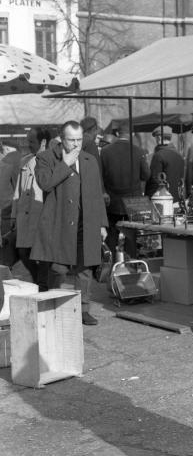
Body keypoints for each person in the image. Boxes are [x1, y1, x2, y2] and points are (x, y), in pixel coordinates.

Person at [31, 121, 108, 325]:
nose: (76, 144)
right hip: (59, 223)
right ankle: (55, 305)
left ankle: (84, 309)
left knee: (85, 268)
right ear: (61, 138)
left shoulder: (89, 159)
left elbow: (96, 194)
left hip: (86, 221)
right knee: (58, 268)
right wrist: (65, 164)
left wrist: (101, 224)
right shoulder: (46, 157)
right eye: (71, 140)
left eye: (79, 139)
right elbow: (45, 183)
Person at [10, 127, 53, 289]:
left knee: (42, 256)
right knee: (23, 253)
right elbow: (17, 192)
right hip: (24, 217)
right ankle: (38, 281)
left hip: (41, 215)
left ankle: (42, 286)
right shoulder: (25, 161)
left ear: (43, 142)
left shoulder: (53, 160)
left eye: (31, 141)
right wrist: (14, 215)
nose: (28, 145)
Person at [101, 122, 151, 252]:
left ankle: (111, 267)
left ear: (117, 134)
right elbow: (146, 175)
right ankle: (132, 266)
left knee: (111, 235)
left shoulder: (105, 152)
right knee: (132, 236)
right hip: (135, 202)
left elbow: (99, 176)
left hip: (113, 201)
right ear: (132, 134)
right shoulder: (139, 151)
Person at [145, 125, 185, 200]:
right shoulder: (179, 156)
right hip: (177, 198)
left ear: (159, 138)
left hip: (162, 199)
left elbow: (154, 181)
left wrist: (148, 197)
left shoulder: (158, 155)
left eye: (156, 138)